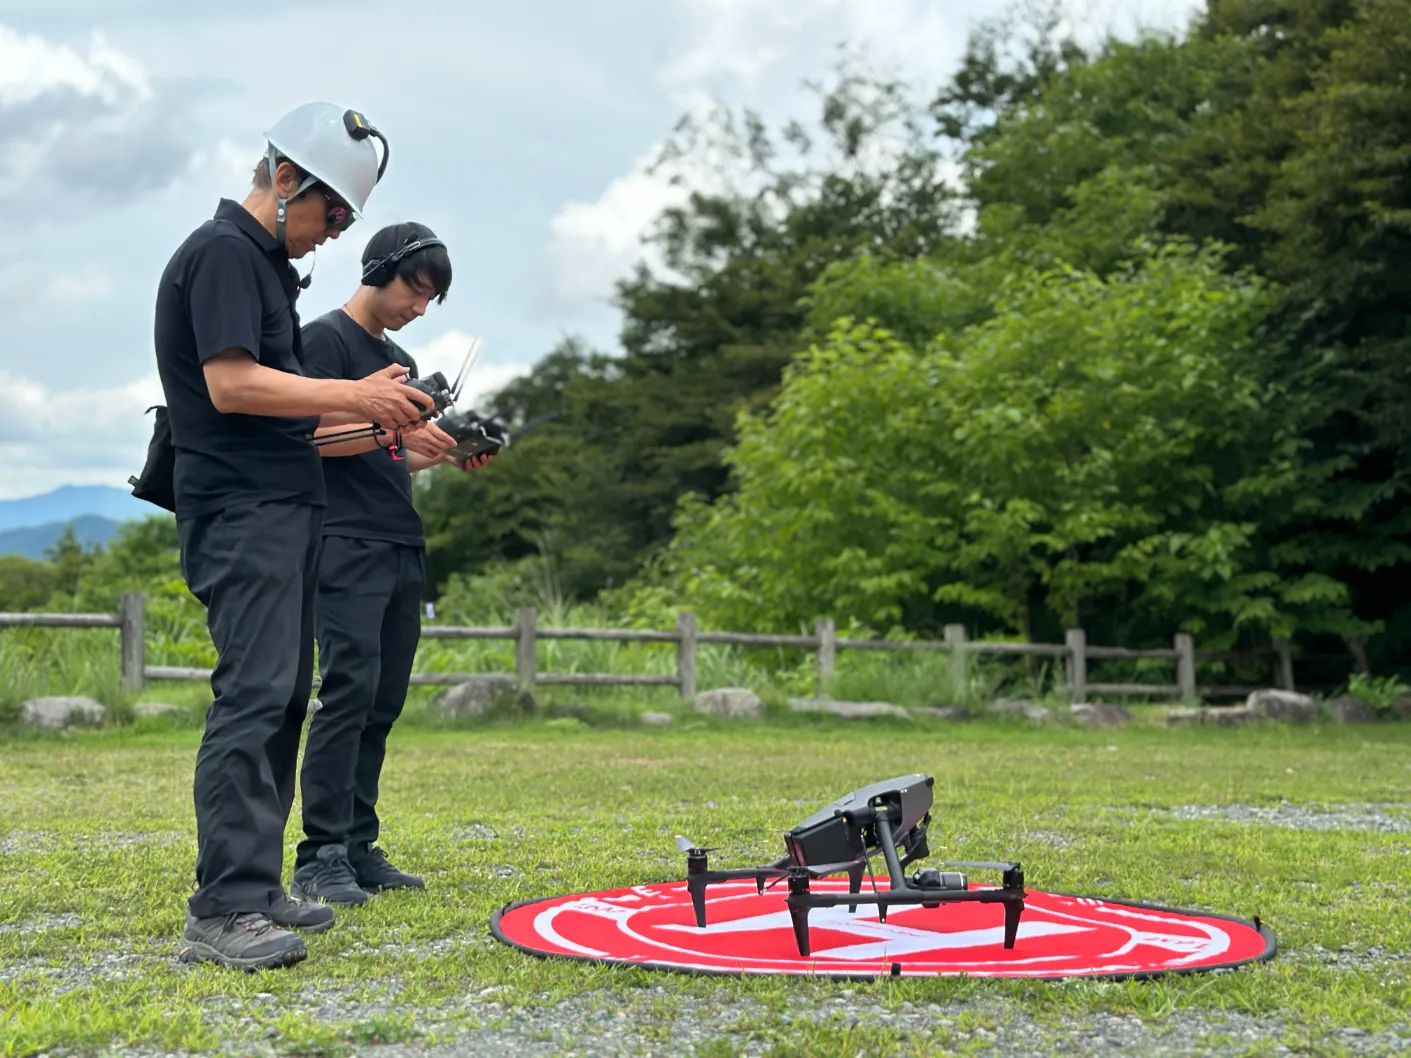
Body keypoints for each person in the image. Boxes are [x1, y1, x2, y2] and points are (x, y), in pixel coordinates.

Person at [153, 101, 437, 972]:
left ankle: (259, 885)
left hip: (283, 507)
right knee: (252, 694)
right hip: (240, 511)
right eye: (332, 215)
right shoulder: (224, 256)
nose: (333, 234)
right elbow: (233, 385)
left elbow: (282, 407)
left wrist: (380, 420)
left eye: (348, 220)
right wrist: (357, 395)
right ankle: (224, 906)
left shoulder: (267, 268)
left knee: (282, 696)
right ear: (285, 181)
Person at [289, 222, 493, 907]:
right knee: (346, 692)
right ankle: (318, 856)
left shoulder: (397, 357)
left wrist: (451, 448)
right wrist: (384, 428)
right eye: (415, 287)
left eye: (431, 297)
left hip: (398, 538)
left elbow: (388, 451)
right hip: (343, 540)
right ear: (378, 268)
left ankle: (356, 843)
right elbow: (305, 441)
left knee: (381, 701)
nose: (419, 305)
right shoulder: (321, 341)